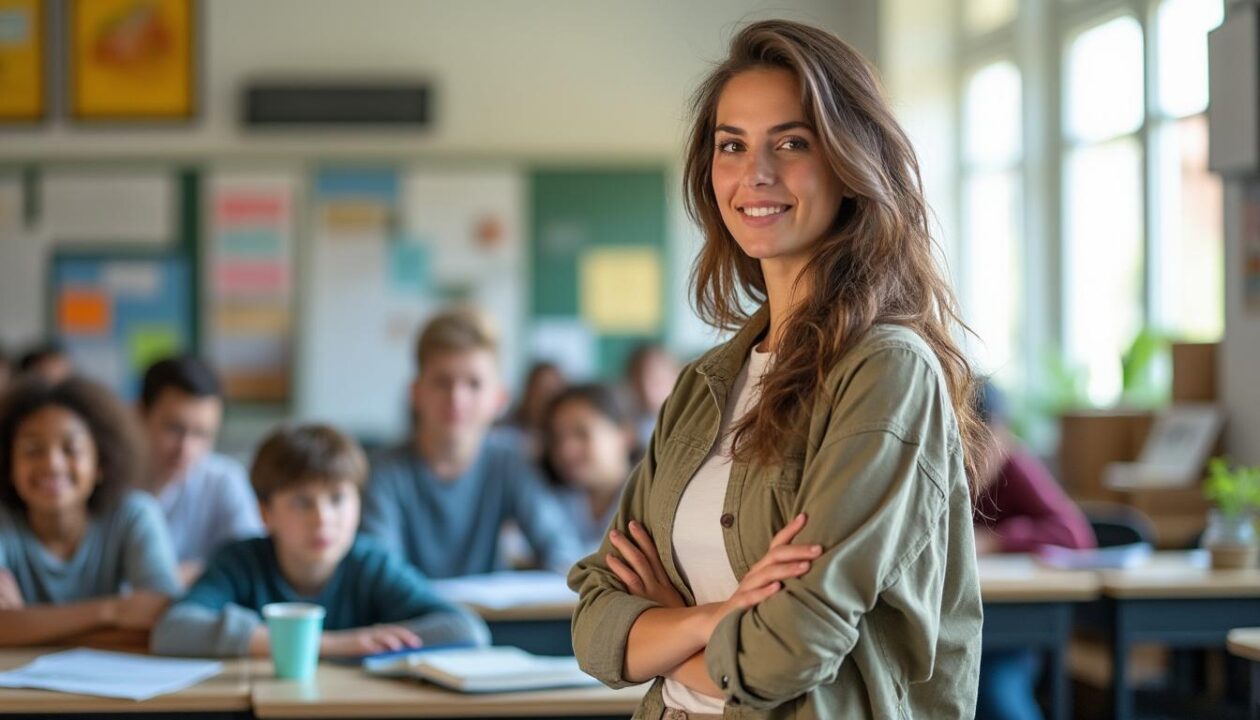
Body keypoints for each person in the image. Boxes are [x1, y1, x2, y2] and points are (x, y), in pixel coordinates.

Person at [568, 20, 988, 719]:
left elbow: (787, 655)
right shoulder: (704, 384)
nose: (755, 174)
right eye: (732, 145)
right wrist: (718, 617)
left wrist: (666, 630)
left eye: (791, 143)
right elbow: (593, 624)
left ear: (850, 164)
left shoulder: (886, 372)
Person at [151, 424, 489, 658]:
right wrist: (333, 645)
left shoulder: (371, 564)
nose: (323, 519)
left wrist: (378, 641)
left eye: (338, 499)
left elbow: (465, 630)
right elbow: (173, 631)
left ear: (359, 504)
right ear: (265, 513)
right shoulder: (240, 562)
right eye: (302, 502)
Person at [361, 306, 584, 578]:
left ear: (499, 399)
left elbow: (564, 553)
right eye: (442, 382)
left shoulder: (510, 462)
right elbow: (379, 573)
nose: (457, 398)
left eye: (474, 384)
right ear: (416, 393)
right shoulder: (383, 472)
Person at [0, 377, 180, 646]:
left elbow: (166, 621)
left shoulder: (134, 515)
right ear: (8, 464)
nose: (52, 464)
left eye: (71, 449)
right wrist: (113, 611)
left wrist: (24, 625)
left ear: (100, 464)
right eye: (33, 450)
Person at [973, 380, 1095, 720]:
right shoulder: (936, 468)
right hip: (946, 624)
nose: (974, 458)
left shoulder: (1015, 466)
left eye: (984, 442)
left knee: (996, 694)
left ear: (1003, 434)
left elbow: (1075, 535)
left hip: (1008, 630)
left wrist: (997, 540)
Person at [137, 355, 262, 586]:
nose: (186, 449)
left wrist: (169, 578)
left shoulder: (225, 480)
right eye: (174, 429)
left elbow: (253, 565)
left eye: (202, 434)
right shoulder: (110, 482)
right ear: (141, 414)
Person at [542, 384, 639, 552]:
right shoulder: (555, 500)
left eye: (581, 433)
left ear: (625, 434)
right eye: (557, 439)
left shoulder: (650, 501)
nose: (566, 451)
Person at [503, 360, 567, 459]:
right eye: (540, 389)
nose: (546, 397)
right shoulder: (504, 432)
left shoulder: (563, 439)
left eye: (553, 391)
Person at [623, 343, 680, 448]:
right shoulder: (625, 431)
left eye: (656, 380)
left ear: (676, 375)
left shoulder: (693, 421)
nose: (646, 388)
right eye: (639, 380)